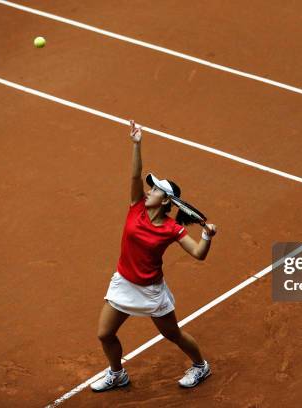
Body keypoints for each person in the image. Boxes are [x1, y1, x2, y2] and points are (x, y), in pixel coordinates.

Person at [91, 120, 217, 392]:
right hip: (124, 282)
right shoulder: (136, 206)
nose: (149, 190)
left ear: (165, 201)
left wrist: (207, 236)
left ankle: (200, 365)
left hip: (150, 291)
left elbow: (198, 254)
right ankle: (117, 373)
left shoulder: (173, 228)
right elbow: (135, 176)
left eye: (156, 189)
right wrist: (137, 144)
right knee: (105, 333)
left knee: (172, 334)